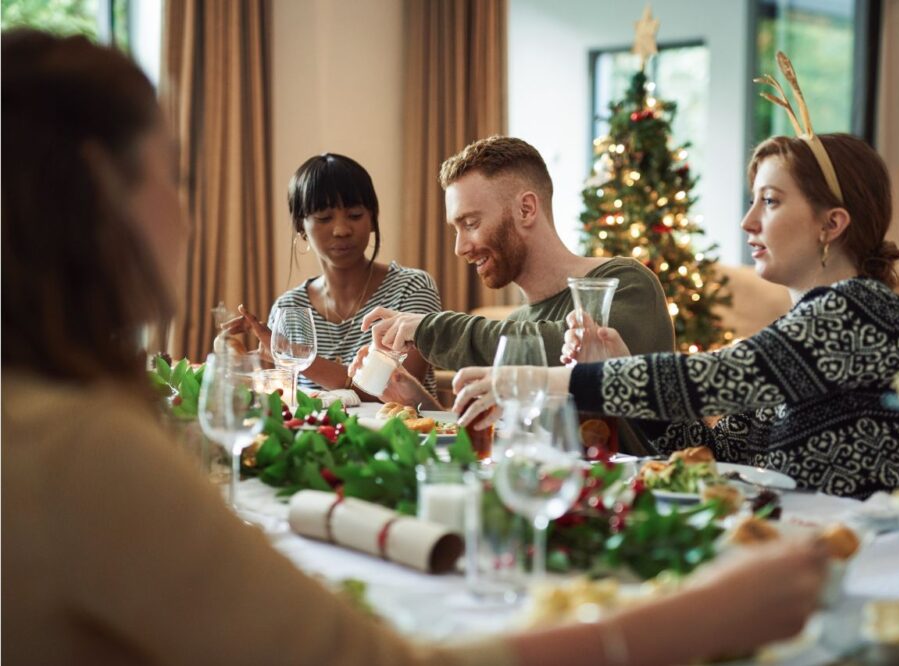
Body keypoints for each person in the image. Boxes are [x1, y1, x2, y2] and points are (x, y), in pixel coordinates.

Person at [2, 29, 829, 665]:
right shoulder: (81, 449)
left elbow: (532, 356)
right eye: (173, 178)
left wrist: (433, 356)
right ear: (98, 188)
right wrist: (699, 622)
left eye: (470, 223)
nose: (187, 213)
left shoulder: (615, 286)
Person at [455, 132, 899, 500]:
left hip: (890, 561)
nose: (748, 221)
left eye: (770, 201)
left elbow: (715, 377)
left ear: (832, 224)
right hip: (818, 546)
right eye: (752, 201)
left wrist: (534, 379)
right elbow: (710, 450)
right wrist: (619, 367)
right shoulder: (802, 330)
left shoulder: (863, 310)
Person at [360, 136, 675, 452]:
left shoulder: (624, 284)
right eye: (456, 229)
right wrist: (414, 400)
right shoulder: (518, 323)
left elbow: (569, 355)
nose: (460, 248)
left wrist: (431, 329)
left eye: (471, 223)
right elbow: (509, 440)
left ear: (526, 209)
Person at [226, 153, 441, 404]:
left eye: (355, 215)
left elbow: (399, 390)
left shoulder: (412, 288)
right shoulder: (289, 308)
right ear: (301, 227)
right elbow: (285, 401)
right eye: (324, 218)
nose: (341, 230)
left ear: (373, 218)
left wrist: (296, 356)